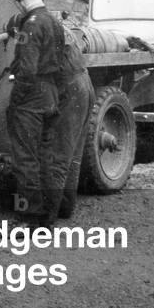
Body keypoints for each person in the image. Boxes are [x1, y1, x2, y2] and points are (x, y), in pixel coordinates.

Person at [4, 0, 65, 227]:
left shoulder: (31, 25)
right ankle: (47, 218)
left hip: (30, 99)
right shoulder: (53, 22)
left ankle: (28, 219)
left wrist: (16, 100)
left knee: (25, 159)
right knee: (45, 157)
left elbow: (27, 69)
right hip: (50, 95)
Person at [50, 25, 96, 220]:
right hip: (84, 83)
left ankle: (46, 217)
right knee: (74, 153)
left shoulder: (38, 28)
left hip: (71, 88)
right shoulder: (57, 26)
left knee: (59, 154)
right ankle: (65, 207)